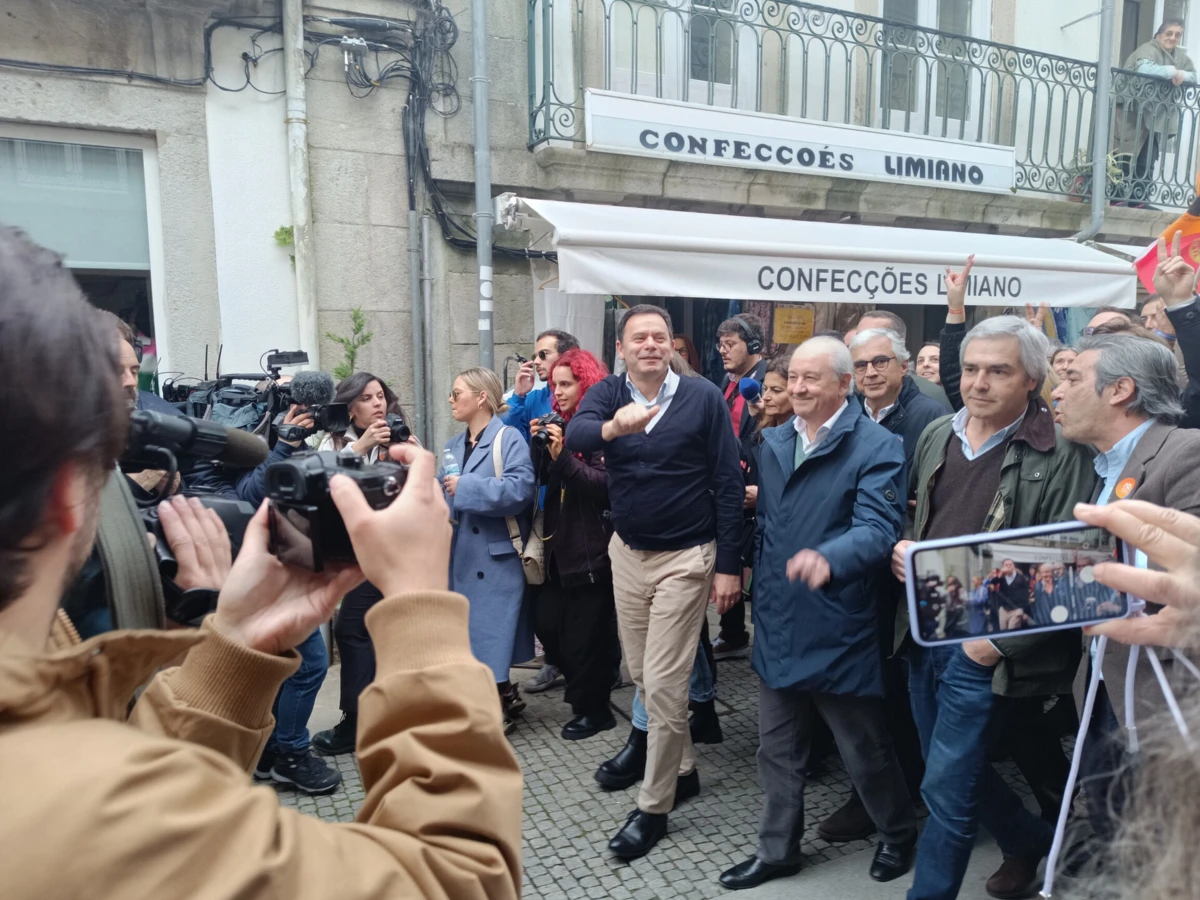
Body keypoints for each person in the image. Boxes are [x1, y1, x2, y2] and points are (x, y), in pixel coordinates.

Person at [0, 226, 523, 900]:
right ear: (65, 496)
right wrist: (420, 603)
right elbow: (461, 878)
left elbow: (145, 817)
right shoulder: (82, 813)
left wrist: (231, 659)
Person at [893, 313, 1097, 900]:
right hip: (926, 626)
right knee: (949, 774)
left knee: (948, 795)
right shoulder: (940, 433)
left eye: (998, 371)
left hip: (984, 643)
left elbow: (1069, 563)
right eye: (971, 369)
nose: (979, 383)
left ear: (1032, 379)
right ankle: (1029, 839)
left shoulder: (1061, 450)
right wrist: (907, 551)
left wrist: (993, 644)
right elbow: (927, 519)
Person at [719, 337, 917, 891]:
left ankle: (898, 833)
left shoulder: (878, 445)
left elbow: (879, 529)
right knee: (776, 749)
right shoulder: (776, 439)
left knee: (864, 750)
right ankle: (777, 850)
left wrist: (828, 558)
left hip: (836, 619)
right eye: (795, 377)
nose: (799, 388)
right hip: (779, 615)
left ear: (843, 385)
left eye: (812, 379)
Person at [566, 304, 743, 860]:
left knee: (664, 685)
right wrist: (613, 427)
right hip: (627, 553)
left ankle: (653, 805)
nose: (648, 344)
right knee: (642, 674)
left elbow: (727, 483)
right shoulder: (610, 394)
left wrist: (729, 565)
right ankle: (684, 769)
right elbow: (575, 432)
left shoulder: (703, 397)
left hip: (686, 558)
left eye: (658, 336)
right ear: (621, 348)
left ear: (672, 345)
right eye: (638, 337)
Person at [1051, 331, 1200, 853]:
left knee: (1161, 844)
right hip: (1102, 684)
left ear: (1120, 390)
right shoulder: (1101, 466)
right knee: (1117, 831)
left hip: (1166, 698)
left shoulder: (1187, 452)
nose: (1056, 390)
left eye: (1071, 377)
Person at [821, 328, 947, 844]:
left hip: (903, 572)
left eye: (881, 363)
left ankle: (913, 791)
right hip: (859, 570)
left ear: (903, 367)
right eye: (862, 365)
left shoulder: (928, 419)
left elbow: (933, 502)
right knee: (870, 682)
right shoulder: (849, 415)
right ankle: (879, 788)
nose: (871, 372)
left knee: (900, 688)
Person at [311, 371, 420, 757]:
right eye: (368, 398)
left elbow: (418, 490)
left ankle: (361, 722)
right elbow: (318, 482)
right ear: (350, 407)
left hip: (391, 554)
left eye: (381, 396)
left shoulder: (400, 438)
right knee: (363, 633)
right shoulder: (335, 442)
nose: (378, 403)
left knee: (359, 632)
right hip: (351, 555)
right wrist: (361, 448)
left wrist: (402, 452)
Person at [529, 349, 621, 740]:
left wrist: (562, 455)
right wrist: (540, 447)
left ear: (586, 384)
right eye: (554, 385)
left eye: (566, 384)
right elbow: (539, 480)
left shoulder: (602, 428)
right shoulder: (560, 424)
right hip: (558, 548)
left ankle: (594, 709)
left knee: (588, 637)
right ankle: (590, 691)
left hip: (592, 550)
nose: (558, 392)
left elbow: (604, 485)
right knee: (548, 623)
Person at [443, 367, 537, 733]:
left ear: (481, 397)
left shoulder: (508, 438)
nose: (451, 400)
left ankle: (492, 708)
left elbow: (519, 491)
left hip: (497, 557)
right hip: (463, 554)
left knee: (490, 636)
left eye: (457, 393)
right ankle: (498, 698)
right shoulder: (453, 445)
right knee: (471, 636)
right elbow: (445, 496)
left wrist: (464, 488)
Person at [713, 314, 769, 658]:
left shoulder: (767, 379)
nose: (723, 351)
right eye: (720, 345)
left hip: (757, 484)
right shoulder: (728, 381)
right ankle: (732, 631)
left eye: (730, 344)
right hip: (730, 479)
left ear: (753, 345)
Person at [1113, 18, 1196, 203]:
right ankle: (1115, 199)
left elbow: (1194, 76)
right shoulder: (1149, 48)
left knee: (1147, 161)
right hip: (1132, 114)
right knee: (1124, 156)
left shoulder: (1179, 56)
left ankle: (1139, 202)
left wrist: (1183, 74)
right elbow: (1144, 68)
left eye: (1177, 35)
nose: (1173, 38)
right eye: (1169, 33)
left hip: (1156, 117)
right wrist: (1173, 72)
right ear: (1158, 35)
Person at [855, 310, 951, 407]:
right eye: (858, 337)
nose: (870, 373)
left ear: (903, 366)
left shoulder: (932, 400)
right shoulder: (846, 396)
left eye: (874, 336)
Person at [504, 329, 580, 441]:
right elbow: (503, 431)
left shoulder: (588, 396)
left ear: (566, 356)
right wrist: (518, 396)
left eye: (543, 354)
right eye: (535, 356)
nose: (536, 362)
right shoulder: (532, 399)